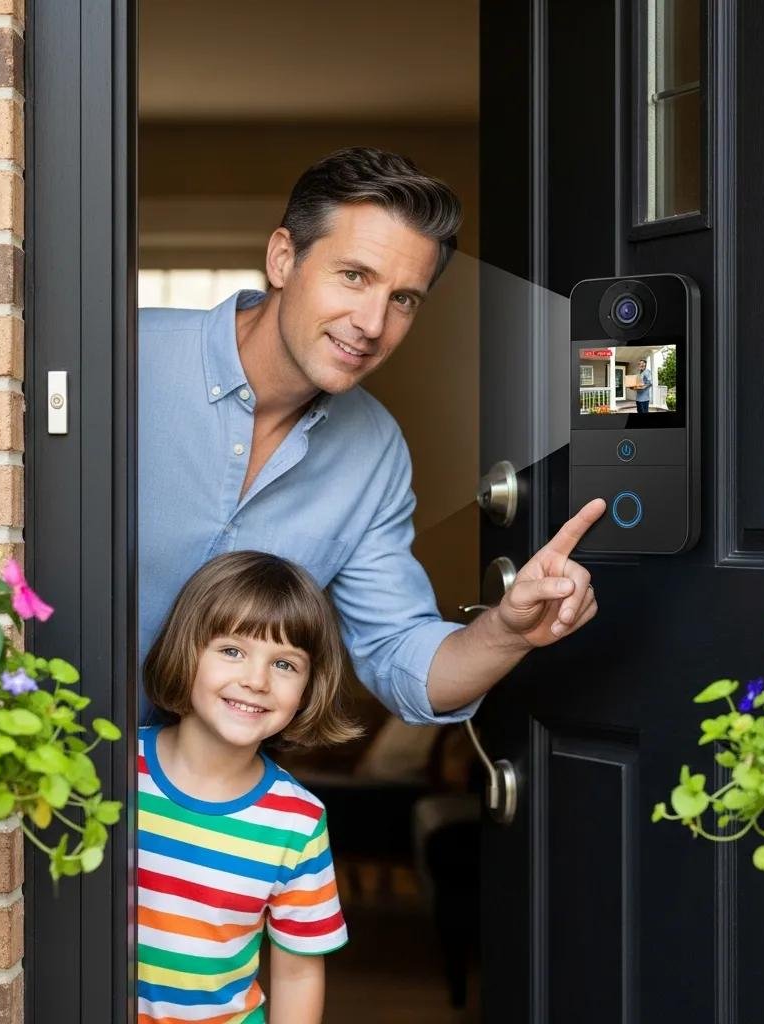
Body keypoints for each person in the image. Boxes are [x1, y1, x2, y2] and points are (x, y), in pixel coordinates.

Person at [139, 146, 605, 728]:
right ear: (283, 259)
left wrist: (509, 632)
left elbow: (395, 652)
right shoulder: (122, 362)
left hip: (198, 802)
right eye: (354, 276)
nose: (373, 325)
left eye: (403, 299)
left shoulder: (375, 452)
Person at [137, 549, 361, 1024]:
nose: (256, 680)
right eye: (232, 651)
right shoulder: (118, 769)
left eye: (285, 664)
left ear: (307, 687)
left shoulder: (298, 821)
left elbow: (298, 972)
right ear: (188, 650)